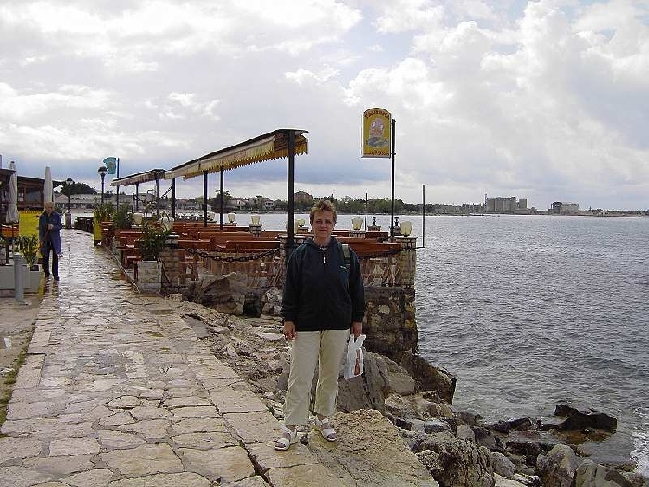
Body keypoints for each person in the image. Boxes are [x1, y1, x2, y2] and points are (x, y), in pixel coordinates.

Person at [276, 199, 365, 451]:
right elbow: (290, 289)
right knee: (300, 375)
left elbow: (357, 289)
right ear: (312, 224)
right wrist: (288, 318)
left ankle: (323, 417)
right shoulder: (300, 256)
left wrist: (357, 319)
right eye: (319, 221)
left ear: (334, 224)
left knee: (329, 377)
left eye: (328, 221)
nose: (323, 225)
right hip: (306, 324)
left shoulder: (347, 256)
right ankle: (291, 425)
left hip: (338, 324)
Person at [39, 201, 62, 281]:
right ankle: (46, 272)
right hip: (46, 240)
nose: (50, 209)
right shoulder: (42, 216)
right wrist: (41, 240)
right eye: (48, 207)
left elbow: (60, 226)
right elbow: (41, 230)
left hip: (54, 239)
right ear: (45, 208)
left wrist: (53, 227)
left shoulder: (57, 216)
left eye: (51, 208)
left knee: (55, 257)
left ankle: (55, 274)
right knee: (45, 256)